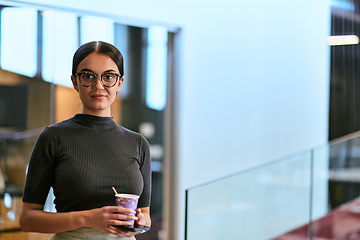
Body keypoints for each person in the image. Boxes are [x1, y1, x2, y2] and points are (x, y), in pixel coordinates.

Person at [19, 41, 152, 240]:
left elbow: (146, 215)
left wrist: (142, 221)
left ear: (120, 83)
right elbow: (27, 219)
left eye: (108, 77)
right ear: (74, 81)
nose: (99, 85)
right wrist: (88, 218)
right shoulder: (53, 137)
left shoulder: (138, 144)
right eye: (88, 76)